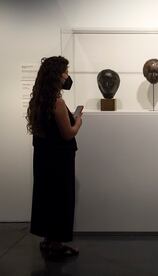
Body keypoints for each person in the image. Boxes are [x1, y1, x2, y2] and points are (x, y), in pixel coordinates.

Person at [26, 56, 82, 259]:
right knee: (60, 198)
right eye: (65, 72)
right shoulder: (57, 102)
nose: (67, 76)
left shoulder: (39, 99)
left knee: (46, 196)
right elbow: (68, 133)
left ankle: (48, 239)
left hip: (43, 158)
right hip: (59, 159)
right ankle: (57, 243)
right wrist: (78, 122)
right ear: (56, 76)